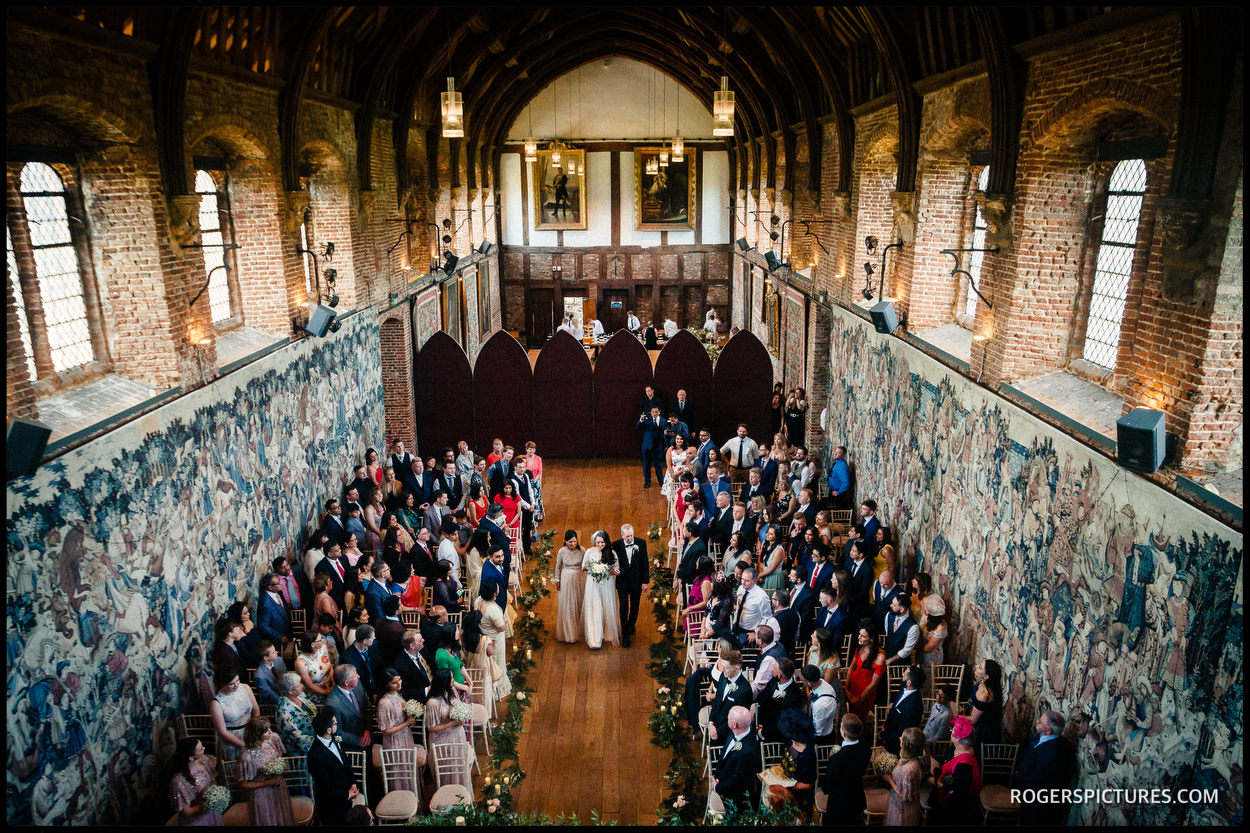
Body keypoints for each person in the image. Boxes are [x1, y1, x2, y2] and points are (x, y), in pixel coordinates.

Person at [1013, 710, 1072, 824]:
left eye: (1040, 722)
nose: (1037, 721)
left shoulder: (1055, 753)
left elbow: (1038, 781)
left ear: (1048, 730)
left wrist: (1017, 776)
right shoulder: (1042, 736)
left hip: (1034, 802)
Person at [307, 708, 360, 825]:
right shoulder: (315, 755)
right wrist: (347, 795)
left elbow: (346, 764)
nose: (338, 724)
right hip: (331, 806)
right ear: (328, 730)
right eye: (335, 723)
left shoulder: (334, 740)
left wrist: (353, 783)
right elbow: (325, 786)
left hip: (346, 798)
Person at [424, 669, 474, 792]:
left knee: (459, 767)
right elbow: (431, 727)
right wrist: (453, 723)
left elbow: (457, 705)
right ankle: (446, 796)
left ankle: (461, 793)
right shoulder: (432, 703)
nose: (453, 681)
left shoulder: (451, 692)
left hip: (457, 735)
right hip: (442, 740)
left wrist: (462, 714)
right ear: (443, 682)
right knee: (446, 770)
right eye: (450, 679)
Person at [817, 714, 872, 824]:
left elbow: (827, 787)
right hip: (856, 799)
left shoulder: (837, 758)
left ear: (844, 733)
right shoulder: (866, 748)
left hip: (839, 805)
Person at [237, 716, 293, 825]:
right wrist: (267, 782)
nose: (270, 732)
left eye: (269, 729)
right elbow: (244, 784)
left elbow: (280, 757)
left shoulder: (273, 738)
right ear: (257, 734)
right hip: (262, 794)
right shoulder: (247, 755)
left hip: (278, 788)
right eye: (266, 731)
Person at [928, 715, 981, 825]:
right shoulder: (956, 747)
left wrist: (938, 783)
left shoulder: (965, 765)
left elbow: (958, 793)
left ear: (958, 738)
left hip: (952, 809)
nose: (950, 732)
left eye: (952, 731)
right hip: (945, 788)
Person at [765, 708, 817, 820]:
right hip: (783, 790)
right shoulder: (791, 742)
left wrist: (787, 784)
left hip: (796, 799)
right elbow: (785, 761)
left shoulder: (808, 755)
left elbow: (808, 785)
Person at [375, 668, 420, 793]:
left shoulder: (398, 694)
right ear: (386, 684)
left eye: (399, 680)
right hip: (394, 741)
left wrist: (410, 717)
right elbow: (385, 730)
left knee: (408, 766)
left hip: (406, 736)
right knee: (400, 769)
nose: (399, 684)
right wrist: (407, 723)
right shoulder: (384, 703)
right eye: (394, 682)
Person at [710, 705, 758, 814]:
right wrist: (717, 777)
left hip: (734, 800)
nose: (727, 720)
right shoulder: (737, 731)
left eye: (728, 718)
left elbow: (737, 781)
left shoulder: (748, 752)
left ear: (734, 724)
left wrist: (718, 788)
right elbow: (724, 757)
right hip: (721, 780)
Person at [168, 737, 225, 825]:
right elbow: (187, 812)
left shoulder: (204, 760)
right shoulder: (178, 782)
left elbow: (213, 780)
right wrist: (208, 804)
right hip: (197, 819)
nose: (204, 748)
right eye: (200, 749)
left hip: (210, 811)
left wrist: (215, 794)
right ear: (190, 757)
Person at [580, 530, 622, 648]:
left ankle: (608, 633)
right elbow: (583, 567)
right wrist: (593, 569)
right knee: (594, 608)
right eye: (597, 542)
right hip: (592, 584)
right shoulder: (589, 552)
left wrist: (610, 570)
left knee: (607, 606)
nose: (599, 545)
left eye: (602, 542)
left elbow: (616, 569)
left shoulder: (612, 553)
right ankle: (594, 638)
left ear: (606, 542)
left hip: (606, 584)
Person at [209, 667, 260, 761]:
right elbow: (223, 732)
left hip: (250, 731)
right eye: (231, 684)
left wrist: (254, 729)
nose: (236, 685)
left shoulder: (245, 688)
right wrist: (243, 744)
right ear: (222, 684)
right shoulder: (216, 703)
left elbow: (256, 709)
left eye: (237, 680)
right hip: (232, 738)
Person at [611, 524, 649, 646]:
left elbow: (645, 563)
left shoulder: (641, 543)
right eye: (627, 536)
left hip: (636, 582)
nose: (630, 538)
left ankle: (631, 624)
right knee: (623, 607)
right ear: (622, 536)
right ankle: (625, 634)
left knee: (635, 606)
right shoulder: (616, 545)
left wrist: (645, 582)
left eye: (631, 535)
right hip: (622, 582)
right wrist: (612, 569)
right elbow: (610, 560)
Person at [474, 582, 513, 702]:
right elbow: (501, 627)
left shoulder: (478, 601)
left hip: (483, 635)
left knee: (489, 661)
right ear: (494, 594)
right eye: (497, 589)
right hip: (495, 638)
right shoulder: (493, 610)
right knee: (496, 660)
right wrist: (505, 621)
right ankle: (497, 686)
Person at [756, 657, 806, 743]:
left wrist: (761, 733)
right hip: (761, 723)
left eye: (774, 669)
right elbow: (763, 698)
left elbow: (783, 725)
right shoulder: (773, 680)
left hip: (775, 738)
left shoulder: (794, 698)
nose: (772, 671)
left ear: (780, 676)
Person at [326, 665, 372, 753]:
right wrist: (360, 740)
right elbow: (337, 732)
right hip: (352, 748)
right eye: (355, 675)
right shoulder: (332, 704)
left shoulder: (357, 684)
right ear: (346, 683)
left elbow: (367, 707)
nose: (358, 676)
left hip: (368, 737)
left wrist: (367, 730)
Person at [552, 530, 587, 643]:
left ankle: (580, 628)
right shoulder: (561, 551)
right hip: (566, 578)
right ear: (565, 541)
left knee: (579, 602)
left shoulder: (582, 551)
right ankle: (569, 632)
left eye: (574, 542)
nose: (572, 544)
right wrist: (558, 579)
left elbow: (586, 565)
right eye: (570, 542)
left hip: (580, 577)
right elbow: (558, 567)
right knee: (568, 604)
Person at [884, 727, 925, 825]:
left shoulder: (910, 769)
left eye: (902, 737)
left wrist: (889, 780)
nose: (900, 738)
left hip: (902, 809)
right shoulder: (908, 759)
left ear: (908, 746)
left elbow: (905, 797)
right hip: (896, 803)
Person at [845, 623, 886, 720]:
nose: (859, 637)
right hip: (852, 686)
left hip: (865, 692)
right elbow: (851, 668)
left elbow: (874, 684)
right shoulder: (860, 648)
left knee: (859, 718)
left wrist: (860, 699)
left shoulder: (880, 657)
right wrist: (846, 688)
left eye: (863, 636)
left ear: (871, 639)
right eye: (859, 634)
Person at [882, 666, 926, 755]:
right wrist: (885, 725)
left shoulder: (912, 706)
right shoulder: (905, 688)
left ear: (909, 682)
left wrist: (883, 735)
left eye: (904, 674)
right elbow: (895, 707)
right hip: (889, 732)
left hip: (897, 746)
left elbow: (902, 732)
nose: (902, 674)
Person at [800, 664, 839, 745]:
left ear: (809, 683)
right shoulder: (821, 682)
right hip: (820, 724)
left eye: (803, 681)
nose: (801, 681)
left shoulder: (820, 706)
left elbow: (817, 732)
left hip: (822, 739)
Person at [293, 631, 334, 705]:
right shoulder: (301, 663)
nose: (323, 640)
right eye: (320, 639)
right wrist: (328, 692)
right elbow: (310, 687)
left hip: (330, 688)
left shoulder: (322, 648)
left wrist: (334, 686)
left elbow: (329, 666)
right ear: (312, 644)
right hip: (316, 696)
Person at [969, 658, 1004, 745]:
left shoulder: (984, 695)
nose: (976, 667)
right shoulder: (984, 682)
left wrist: (956, 717)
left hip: (982, 732)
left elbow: (973, 720)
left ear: (986, 676)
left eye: (980, 667)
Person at [883, 594, 920, 666]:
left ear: (902, 609)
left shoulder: (913, 627)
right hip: (886, 657)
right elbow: (888, 635)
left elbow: (906, 651)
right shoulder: (889, 615)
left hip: (901, 665)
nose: (890, 605)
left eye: (893, 605)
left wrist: (890, 660)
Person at [637, 405, 667, 490]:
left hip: (658, 447)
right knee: (646, 465)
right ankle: (647, 481)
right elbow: (638, 427)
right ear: (651, 412)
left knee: (658, 465)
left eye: (656, 412)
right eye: (653, 412)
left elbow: (665, 434)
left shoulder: (663, 421)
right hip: (647, 447)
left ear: (659, 412)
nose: (654, 413)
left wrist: (666, 445)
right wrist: (641, 420)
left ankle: (661, 481)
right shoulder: (646, 420)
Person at [253, 640, 288, 705]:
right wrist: (285, 703)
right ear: (265, 658)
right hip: (273, 704)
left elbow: (286, 678)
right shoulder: (259, 675)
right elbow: (270, 695)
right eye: (273, 652)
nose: (277, 652)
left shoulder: (279, 660)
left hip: (286, 695)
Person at [919, 597, 948, 669]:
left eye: (926, 608)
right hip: (923, 654)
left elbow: (928, 648)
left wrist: (915, 647)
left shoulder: (940, 628)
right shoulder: (929, 618)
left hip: (932, 657)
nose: (924, 609)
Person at [825, 445, 852, 510]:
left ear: (843, 455)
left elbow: (846, 482)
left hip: (839, 494)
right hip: (833, 491)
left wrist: (838, 492)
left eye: (838, 453)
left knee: (835, 512)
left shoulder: (842, 466)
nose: (835, 453)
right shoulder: (837, 462)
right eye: (835, 451)